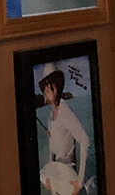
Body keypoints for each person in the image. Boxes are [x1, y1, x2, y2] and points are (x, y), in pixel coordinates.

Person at [38, 65, 90, 195]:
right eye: (45, 85)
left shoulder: (64, 111)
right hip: (56, 174)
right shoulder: (51, 116)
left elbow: (84, 140)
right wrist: (49, 176)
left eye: (52, 83)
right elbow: (52, 147)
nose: (48, 88)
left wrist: (79, 181)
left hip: (67, 174)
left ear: (58, 86)